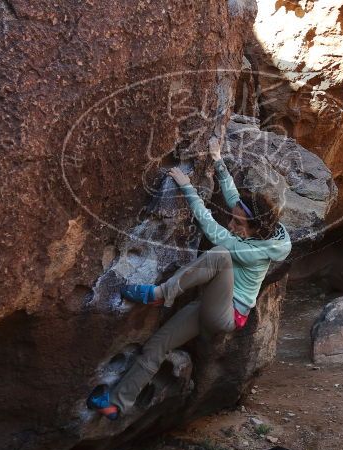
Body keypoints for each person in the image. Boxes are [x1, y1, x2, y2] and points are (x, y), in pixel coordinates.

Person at [87, 137, 292, 420]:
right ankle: (116, 404)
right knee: (157, 345)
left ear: (255, 230)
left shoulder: (253, 252)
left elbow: (211, 228)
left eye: (238, 224)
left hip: (227, 314)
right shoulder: (264, 228)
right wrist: (218, 160)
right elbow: (234, 199)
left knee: (219, 253)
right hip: (211, 304)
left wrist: (186, 187)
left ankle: (160, 294)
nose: (232, 224)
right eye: (233, 219)